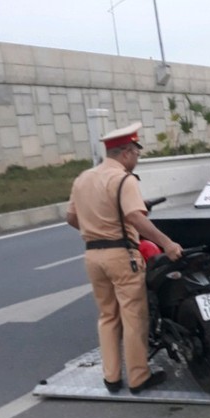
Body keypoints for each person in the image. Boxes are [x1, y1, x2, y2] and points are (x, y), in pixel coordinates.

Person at [66, 122, 183, 395]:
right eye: (136, 154)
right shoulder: (123, 180)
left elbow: (71, 217)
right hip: (122, 255)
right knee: (134, 317)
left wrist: (95, 231)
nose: (137, 160)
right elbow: (134, 217)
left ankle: (111, 378)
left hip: (92, 256)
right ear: (127, 152)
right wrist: (166, 243)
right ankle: (139, 378)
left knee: (108, 316)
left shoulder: (83, 178)